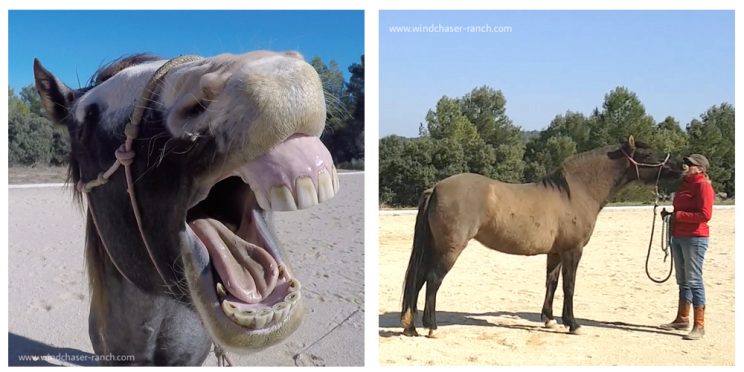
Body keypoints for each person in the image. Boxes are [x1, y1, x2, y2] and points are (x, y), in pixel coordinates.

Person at [659, 154, 714, 340]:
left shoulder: (703, 186)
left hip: (695, 238)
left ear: (700, 169)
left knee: (694, 279)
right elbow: (683, 210)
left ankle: (700, 325)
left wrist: (679, 216)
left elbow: (705, 215)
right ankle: (682, 318)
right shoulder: (685, 185)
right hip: (679, 235)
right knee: (682, 279)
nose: (686, 165)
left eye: (690, 164)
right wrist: (671, 214)